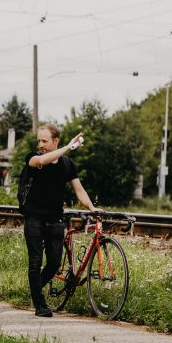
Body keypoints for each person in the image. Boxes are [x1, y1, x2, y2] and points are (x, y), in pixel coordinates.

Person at [21, 124, 100, 317]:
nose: (40, 144)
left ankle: (36, 290)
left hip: (55, 218)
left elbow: (78, 189)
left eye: (44, 141)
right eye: (39, 140)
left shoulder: (67, 165)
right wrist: (68, 147)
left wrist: (92, 207)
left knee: (55, 263)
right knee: (35, 261)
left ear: (55, 141)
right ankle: (40, 304)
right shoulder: (34, 158)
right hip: (34, 217)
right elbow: (43, 159)